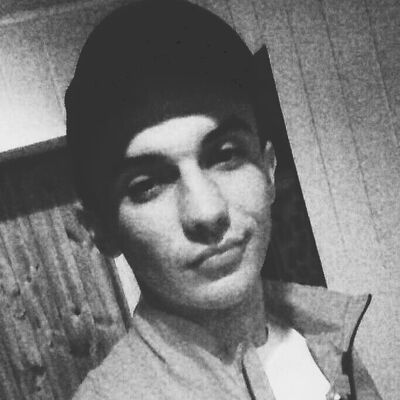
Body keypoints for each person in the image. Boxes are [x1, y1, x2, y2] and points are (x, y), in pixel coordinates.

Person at [65, 1, 381, 399]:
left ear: (268, 170)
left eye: (226, 155)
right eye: (147, 184)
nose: (207, 211)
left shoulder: (329, 338)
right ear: (101, 231)